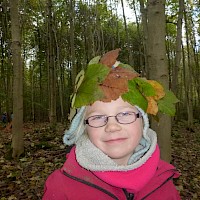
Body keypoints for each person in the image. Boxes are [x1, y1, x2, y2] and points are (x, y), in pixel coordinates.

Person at [43, 49, 181, 200]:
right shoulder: (62, 188)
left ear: (143, 122)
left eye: (125, 114)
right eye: (98, 117)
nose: (112, 126)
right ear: (83, 127)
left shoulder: (165, 182)